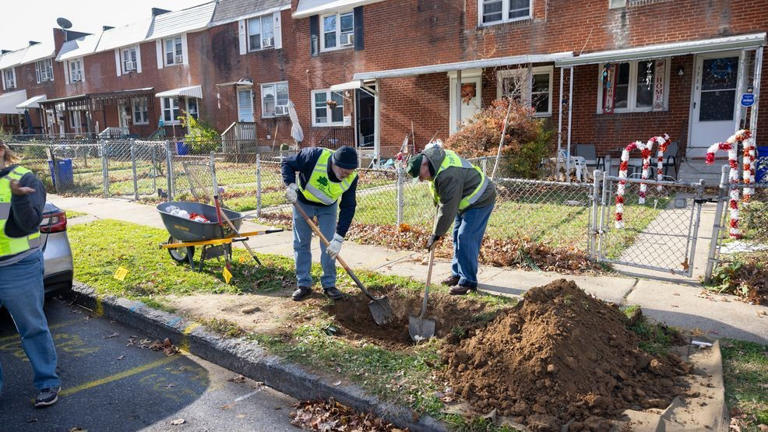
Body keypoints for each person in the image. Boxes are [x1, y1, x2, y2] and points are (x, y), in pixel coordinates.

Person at [0, 140, 61, 407]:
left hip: (19, 267)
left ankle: (47, 382)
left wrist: (19, 197)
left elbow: (28, 224)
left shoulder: (25, 179)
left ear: (1, 150)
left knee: (32, 328)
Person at [406, 145, 496, 295]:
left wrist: (436, 234)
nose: (421, 180)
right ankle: (457, 274)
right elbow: (441, 200)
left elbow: (448, 207)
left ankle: (468, 282)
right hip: (463, 199)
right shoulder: (434, 165)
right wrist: (437, 228)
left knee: (465, 237)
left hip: (480, 198)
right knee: (457, 236)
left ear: (424, 164)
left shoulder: (448, 174)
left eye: (420, 176)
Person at [282, 146, 359, 301]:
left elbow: (348, 206)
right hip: (302, 202)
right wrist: (291, 186)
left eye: (349, 173)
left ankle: (329, 285)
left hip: (328, 207)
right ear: (334, 163)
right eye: (343, 171)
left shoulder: (352, 177)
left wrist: (339, 238)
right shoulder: (313, 156)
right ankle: (303, 284)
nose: (346, 175)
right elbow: (287, 163)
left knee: (329, 245)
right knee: (301, 243)